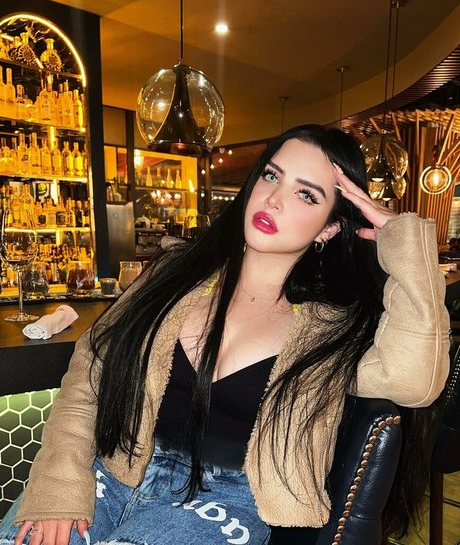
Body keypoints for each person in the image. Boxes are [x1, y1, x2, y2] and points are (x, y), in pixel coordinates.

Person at [0, 124, 450, 545]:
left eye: (306, 195)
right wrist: (58, 483)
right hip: (116, 466)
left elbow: (416, 383)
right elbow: (88, 377)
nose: (274, 199)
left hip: (227, 499)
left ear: (330, 227)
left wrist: (405, 241)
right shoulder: (172, 272)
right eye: (272, 175)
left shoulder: (334, 327)